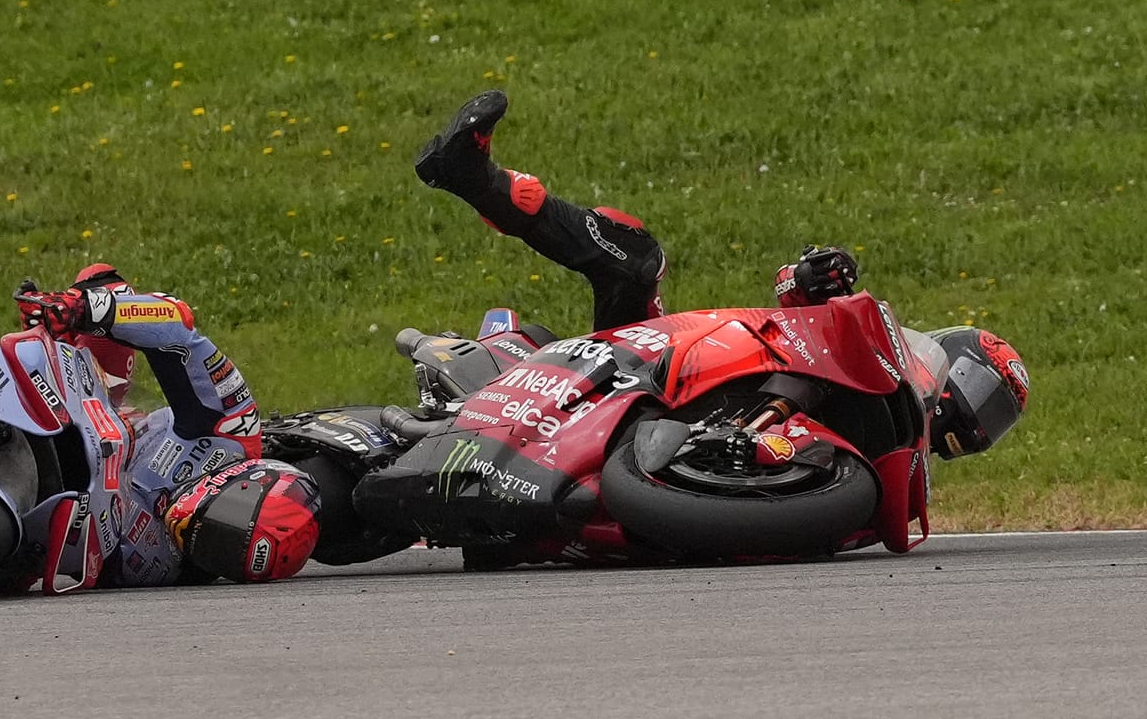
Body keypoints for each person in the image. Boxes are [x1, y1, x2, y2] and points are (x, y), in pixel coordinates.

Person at [412, 89, 1029, 459]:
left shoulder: (898, 462)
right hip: (669, 373)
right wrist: (817, 280)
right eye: (986, 399)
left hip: (668, 455)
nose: (979, 423)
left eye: (994, 422)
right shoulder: (873, 366)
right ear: (952, 365)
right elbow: (793, 297)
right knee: (636, 258)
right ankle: (477, 180)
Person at [2, 263, 322, 589]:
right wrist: (79, 311)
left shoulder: (162, 568)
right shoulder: (233, 430)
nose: (197, 536)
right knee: (104, 284)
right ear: (251, 481)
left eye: (222, 556)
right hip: (102, 405)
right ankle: (57, 330)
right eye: (230, 527)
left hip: (58, 487)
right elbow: (175, 320)